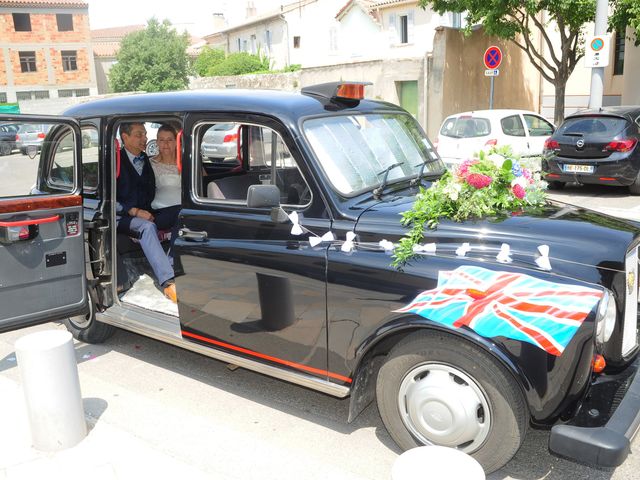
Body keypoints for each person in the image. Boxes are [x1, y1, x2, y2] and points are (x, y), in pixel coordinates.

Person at [116, 122, 177, 302]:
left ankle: (171, 263)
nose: (144, 139)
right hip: (123, 218)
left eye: (145, 134)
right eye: (139, 135)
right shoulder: (115, 161)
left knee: (182, 213)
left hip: (147, 214)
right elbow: (108, 198)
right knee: (147, 227)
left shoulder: (146, 160)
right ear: (125, 138)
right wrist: (133, 211)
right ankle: (168, 281)